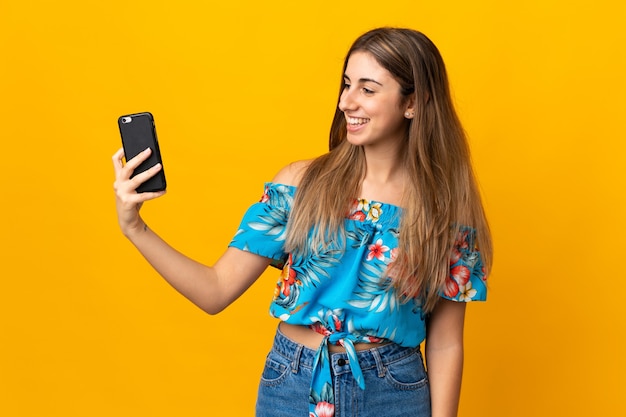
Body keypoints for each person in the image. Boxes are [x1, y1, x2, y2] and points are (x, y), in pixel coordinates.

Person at [112, 27, 492, 417]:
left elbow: (446, 343)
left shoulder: (446, 210)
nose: (347, 102)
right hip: (292, 384)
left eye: (368, 88)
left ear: (413, 103)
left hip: (393, 391)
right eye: (346, 85)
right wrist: (135, 228)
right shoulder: (299, 185)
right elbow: (215, 290)